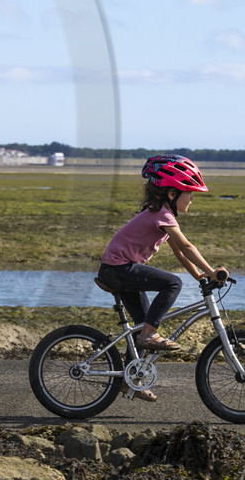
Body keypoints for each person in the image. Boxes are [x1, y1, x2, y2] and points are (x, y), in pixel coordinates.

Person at [97, 153, 227, 401]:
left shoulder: (161, 215)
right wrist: (212, 271)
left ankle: (129, 380)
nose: (191, 199)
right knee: (172, 283)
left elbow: (179, 252)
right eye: (189, 193)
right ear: (171, 194)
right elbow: (187, 246)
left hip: (119, 270)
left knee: (143, 323)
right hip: (118, 269)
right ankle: (148, 335)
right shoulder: (163, 216)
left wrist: (199, 275)